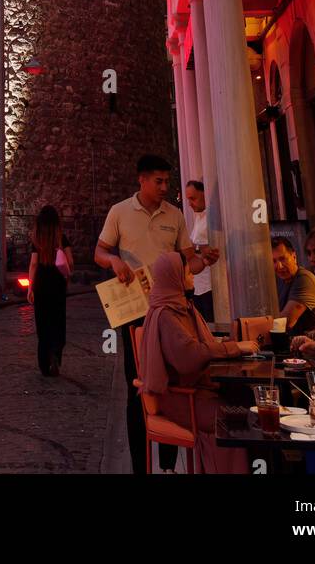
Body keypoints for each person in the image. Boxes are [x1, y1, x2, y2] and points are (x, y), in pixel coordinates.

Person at [95, 154, 220, 476]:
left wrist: (204, 261)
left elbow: (188, 262)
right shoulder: (119, 212)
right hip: (134, 312)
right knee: (138, 384)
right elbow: (100, 252)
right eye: (159, 181)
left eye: (167, 181)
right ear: (142, 179)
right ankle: (140, 465)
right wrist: (114, 262)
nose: (165, 187)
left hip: (170, 313)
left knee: (171, 383)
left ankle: (166, 464)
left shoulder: (175, 216)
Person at [140, 253, 257, 474]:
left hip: (198, 390)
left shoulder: (183, 306)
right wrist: (233, 347)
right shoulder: (166, 315)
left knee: (251, 404)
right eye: (187, 272)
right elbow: (189, 357)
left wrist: (226, 345)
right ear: (175, 277)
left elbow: (201, 346)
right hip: (181, 397)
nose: (192, 275)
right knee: (235, 420)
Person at [28, 205, 73, 376]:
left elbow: (33, 264)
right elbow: (70, 262)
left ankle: (44, 363)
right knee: (58, 321)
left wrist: (30, 288)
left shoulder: (37, 239)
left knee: (43, 324)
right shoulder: (62, 238)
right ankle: (56, 352)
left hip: (41, 285)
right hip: (58, 285)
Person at [272, 237, 315, 333]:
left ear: (294, 256)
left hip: (311, 345)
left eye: (282, 259)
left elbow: (285, 322)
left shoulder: (304, 278)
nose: (279, 266)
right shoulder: (280, 281)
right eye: (274, 261)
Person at [185, 180, 214, 323]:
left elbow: (208, 248)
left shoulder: (212, 218)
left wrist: (195, 249)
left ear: (204, 194)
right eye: (188, 199)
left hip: (210, 286)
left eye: (193, 198)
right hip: (197, 285)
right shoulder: (199, 217)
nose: (190, 203)